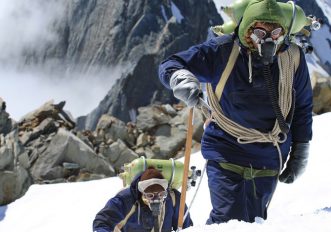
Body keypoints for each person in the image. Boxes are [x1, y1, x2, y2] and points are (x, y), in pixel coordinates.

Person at [158, 0, 312, 224]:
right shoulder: (222, 51)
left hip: (270, 157)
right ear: (247, 29)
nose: (269, 38)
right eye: (260, 30)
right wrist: (181, 78)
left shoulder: (293, 58)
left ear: (285, 32)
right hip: (226, 151)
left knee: (254, 221)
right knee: (229, 220)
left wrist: (300, 151)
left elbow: (303, 107)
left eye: (276, 31)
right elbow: (171, 64)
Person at [93, 167, 193, 231]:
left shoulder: (174, 200)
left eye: (161, 194)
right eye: (150, 195)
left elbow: (187, 228)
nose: (156, 199)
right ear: (142, 193)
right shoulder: (125, 200)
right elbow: (102, 222)